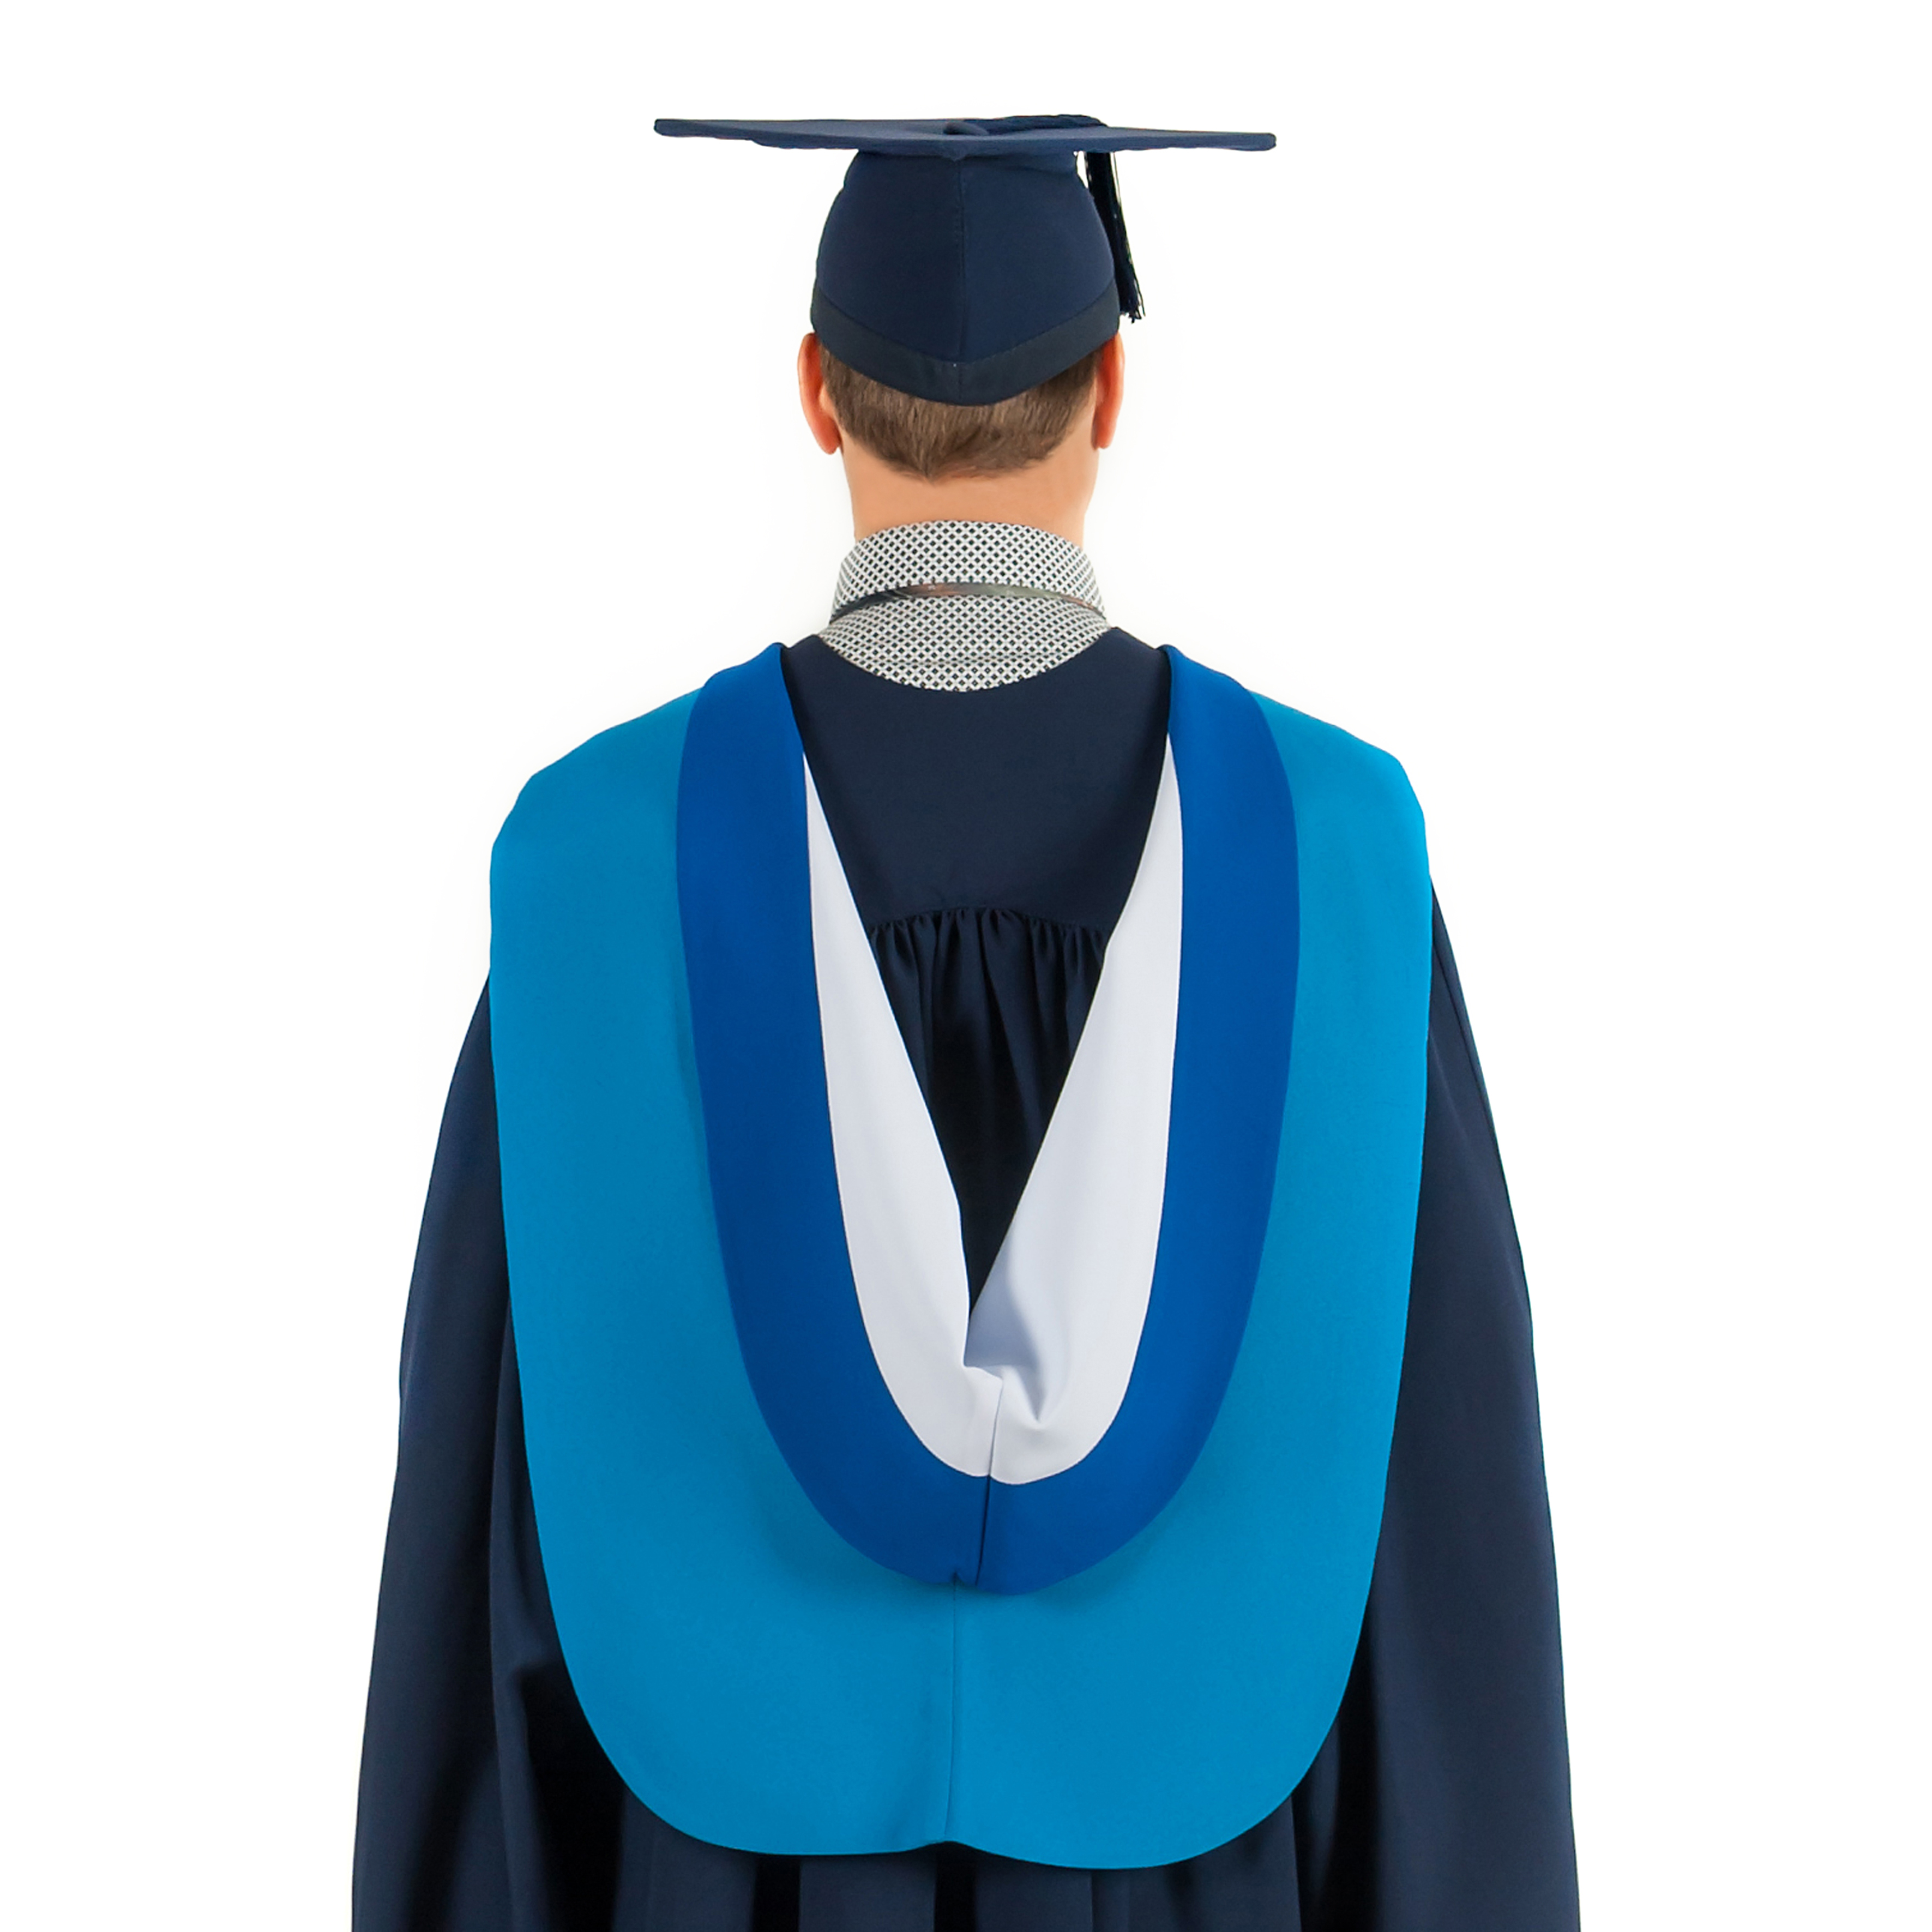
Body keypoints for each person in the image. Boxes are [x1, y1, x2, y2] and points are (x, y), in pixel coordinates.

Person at [353, 116, 1580, 1932]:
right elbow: (1450, 1587)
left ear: (814, 395)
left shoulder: (597, 878)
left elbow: (476, 1580)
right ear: (1111, 392)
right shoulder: (1331, 867)